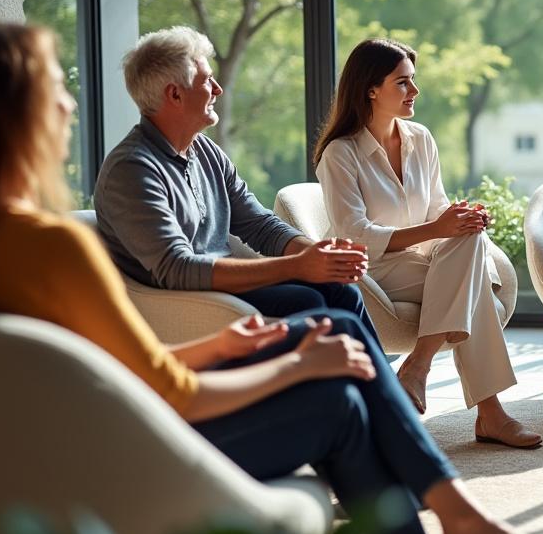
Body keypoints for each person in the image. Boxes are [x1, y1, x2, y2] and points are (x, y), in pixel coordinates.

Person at [0, 20, 543, 534]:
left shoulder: (197, 158)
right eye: (56, 88)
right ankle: (445, 515)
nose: (71, 106)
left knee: (335, 306)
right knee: (335, 359)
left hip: (102, 420)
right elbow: (169, 325)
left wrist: (314, 255)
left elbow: (252, 229)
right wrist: (295, 358)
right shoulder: (98, 202)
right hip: (148, 394)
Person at [314, 38, 539, 448]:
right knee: (474, 288)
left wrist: (460, 218)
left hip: (424, 262)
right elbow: (355, 235)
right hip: (372, 272)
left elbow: (436, 208)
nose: (414, 91)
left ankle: (419, 364)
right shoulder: (340, 154)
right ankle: (490, 413)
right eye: (403, 83)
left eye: (413, 81)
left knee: (468, 241)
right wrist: (439, 229)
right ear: (370, 89)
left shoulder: (421, 138)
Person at [93, 26, 376, 329]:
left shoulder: (205, 150)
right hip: (183, 304)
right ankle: (359, 375)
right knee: (309, 304)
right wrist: (296, 266)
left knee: (341, 291)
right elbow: (178, 269)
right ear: (175, 94)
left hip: (222, 289)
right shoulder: (132, 170)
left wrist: (321, 256)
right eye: (207, 80)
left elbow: (259, 225)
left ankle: (369, 377)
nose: (218, 89)